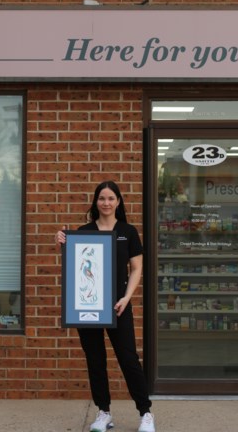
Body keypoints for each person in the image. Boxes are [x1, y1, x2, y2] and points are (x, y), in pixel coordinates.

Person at [57, 180, 155, 432]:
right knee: (96, 360)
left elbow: (137, 269)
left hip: (118, 306)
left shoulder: (128, 231)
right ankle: (103, 413)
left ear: (118, 201)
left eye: (111, 198)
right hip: (87, 306)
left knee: (128, 359)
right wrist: (64, 243)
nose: (106, 203)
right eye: (102, 198)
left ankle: (145, 413)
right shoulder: (84, 231)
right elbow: (76, 267)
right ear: (96, 202)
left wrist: (126, 297)